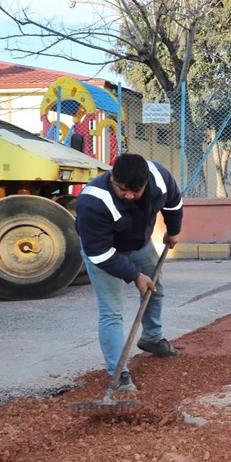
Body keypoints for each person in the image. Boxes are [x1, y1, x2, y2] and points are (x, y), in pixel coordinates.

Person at [75, 153, 184, 393]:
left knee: (156, 290)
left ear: (146, 182)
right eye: (123, 189)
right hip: (105, 253)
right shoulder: (92, 201)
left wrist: (174, 229)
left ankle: (152, 339)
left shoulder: (160, 178)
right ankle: (119, 375)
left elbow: (174, 203)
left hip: (140, 245)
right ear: (112, 177)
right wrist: (134, 275)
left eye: (136, 190)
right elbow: (98, 253)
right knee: (111, 312)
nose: (129, 196)